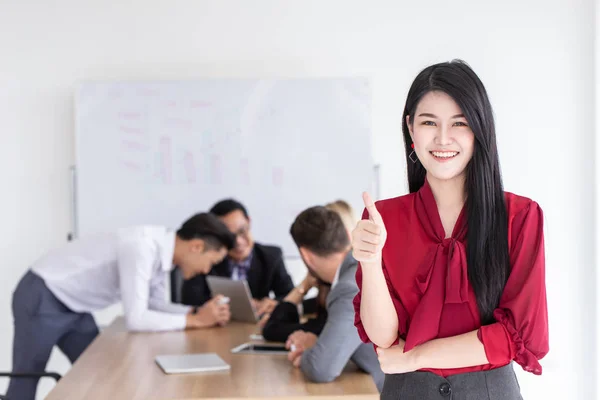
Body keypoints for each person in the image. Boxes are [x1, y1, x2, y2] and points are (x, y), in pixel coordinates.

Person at [352, 60, 548, 399]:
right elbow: (384, 339)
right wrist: (369, 263)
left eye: (460, 123)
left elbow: (516, 337)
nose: (443, 138)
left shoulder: (519, 216)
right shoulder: (382, 218)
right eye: (430, 122)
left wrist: (416, 356)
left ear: (479, 131)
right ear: (411, 129)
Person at [8, 213, 235, 400]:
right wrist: (195, 321)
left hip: (76, 306)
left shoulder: (163, 255)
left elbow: (152, 303)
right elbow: (136, 318)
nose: (207, 270)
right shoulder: (142, 247)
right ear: (196, 246)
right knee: (26, 380)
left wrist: (194, 313)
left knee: (100, 375)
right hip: (45, 292)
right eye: (211, 262)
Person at [284, 206, 384, 391]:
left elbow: (321, 368)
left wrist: (307, 354)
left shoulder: (348, 286)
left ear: (306, 256)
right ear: (347, 233)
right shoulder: (360, 270)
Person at [261, 199, 357, 342]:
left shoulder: (346, 290)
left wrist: (303, 286)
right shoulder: (339, 283)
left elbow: (273, 330)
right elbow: (310, 308)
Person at [180, 199, 294, 317]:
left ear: (249, 222)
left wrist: (273, 304)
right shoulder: (207, 258)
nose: (238, 241)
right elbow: (190, 300)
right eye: (230, 237)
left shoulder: (271, 256)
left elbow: (290, 295)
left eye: (242, 231)